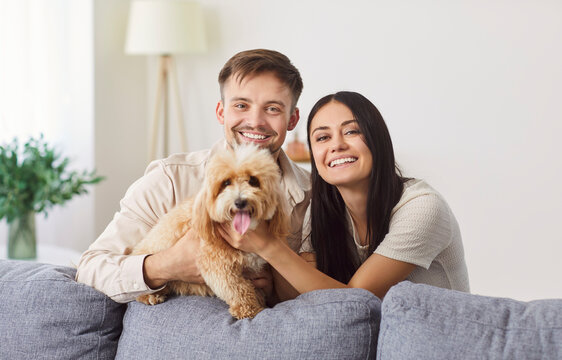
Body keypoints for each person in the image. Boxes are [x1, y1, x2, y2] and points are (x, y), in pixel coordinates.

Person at [76, 49, 311, 303]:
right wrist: (166, 266)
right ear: (221, 112)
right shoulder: (170, 179)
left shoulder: (314, 195)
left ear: (292, 119)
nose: (255, 121)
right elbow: (89, 270)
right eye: (241, 105)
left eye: (273, 109)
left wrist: (275, 286)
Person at [221, 91, 469, 300]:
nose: (336, 145)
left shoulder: (422, 207)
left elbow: (356, 300)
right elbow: (300, 296)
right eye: (322, 137)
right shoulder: (322, 210)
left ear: (377, 139)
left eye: (351, 132)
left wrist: (268, 244)